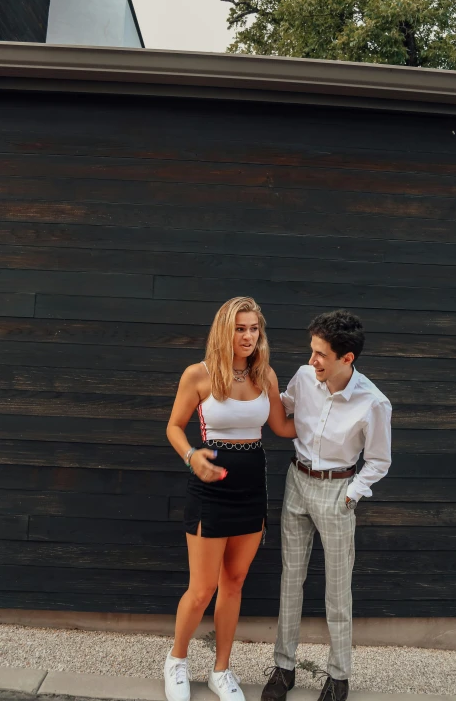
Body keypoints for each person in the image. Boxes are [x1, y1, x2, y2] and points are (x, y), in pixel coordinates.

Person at [164, 296, 295, 701]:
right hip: (211, 487)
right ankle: (177, 661)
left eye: (254, 328)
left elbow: (282, 427)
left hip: (253, 486)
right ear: (225, 330)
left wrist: (330, 407)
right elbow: (173, 426)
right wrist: (191, 456)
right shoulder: (198, 375)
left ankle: (222, 670)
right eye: (240, 328)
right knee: (202, 589)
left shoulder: (266, 376)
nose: (249, 336)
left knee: (234, 583)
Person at [262, 310, 392, 701]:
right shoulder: (304, 378)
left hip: (338, 491)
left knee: (337, 590)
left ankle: (338, 676)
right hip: (296, 483)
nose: (311, 360)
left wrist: (351, 495)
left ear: (346, 358)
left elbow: (379, 461)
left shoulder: (373, 403)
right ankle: (284, 669)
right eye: (311, 351)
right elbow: (282, 407)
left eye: (320, 354)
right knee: (290, 581)